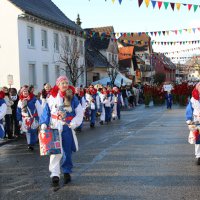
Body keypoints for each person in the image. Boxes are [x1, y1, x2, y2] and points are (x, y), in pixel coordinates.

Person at [39, 76, 83, 188]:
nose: (65, 85)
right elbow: (46, 111)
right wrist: (44, 123)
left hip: (67, 127)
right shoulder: (51, 97)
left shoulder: (72, 97)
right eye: (62, 83)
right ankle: (54, 174)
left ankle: (66, 170)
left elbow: (79, 112)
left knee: (67, 151)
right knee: (55, 152)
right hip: (54, 127)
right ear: (58, 85)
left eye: (66, 83)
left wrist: (74, 122)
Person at [17, 85, 41, 150]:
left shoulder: (34, 99)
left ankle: (33, 142)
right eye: (24, 91)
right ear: (21, 92)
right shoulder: (20, 101)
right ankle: (30, 144)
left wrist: (40, 118)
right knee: (28, 132)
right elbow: (18, 111)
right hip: (25, 119)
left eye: (26, 91)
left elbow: (39, 109)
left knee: (33, 131)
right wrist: (19, 120)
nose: (25, 92)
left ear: (28, 92)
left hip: (33, 118)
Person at [186, 83, 200, 165]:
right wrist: (188, 119)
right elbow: (189, 109)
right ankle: (198, 156)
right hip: (197, 122)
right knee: (198, 140)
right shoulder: (193, 99)